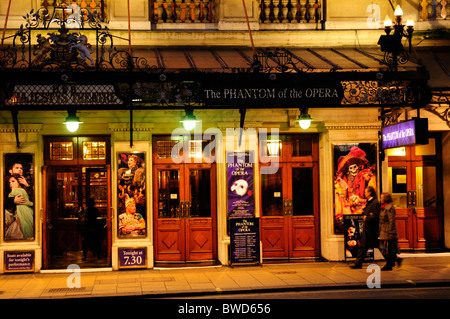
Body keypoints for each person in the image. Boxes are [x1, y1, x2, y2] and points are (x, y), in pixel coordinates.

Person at [351, 186, 380, 269]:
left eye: (366, 192)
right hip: (367, 228)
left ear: (370, 193)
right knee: (363, 246)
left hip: (372, 229)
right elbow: (369, 212)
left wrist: (367, 217)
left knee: (379, 246)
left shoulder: (375, 203)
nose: (364, 193)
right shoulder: (369, 202)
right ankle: (358, 263)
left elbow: (375, 215)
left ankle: (392, 260)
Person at [378, 192, 402, 271]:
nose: (380, 199)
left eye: (382, 198)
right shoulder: (383, 207)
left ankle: (389, 264)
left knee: (385, 248)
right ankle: (394, 260)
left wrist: (392, 233)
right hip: (383, 230)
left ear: (386, 199)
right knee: (385, 248)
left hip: (387, 231)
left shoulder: (389, 208)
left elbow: (392, 221)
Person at [7, 174, 34, 239]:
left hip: (22, 216)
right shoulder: (24, 191)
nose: (11, 184)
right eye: (9, 182)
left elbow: (8, 197)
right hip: (29, 214)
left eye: (13, 181)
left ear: (19, 182)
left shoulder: (16, 191)